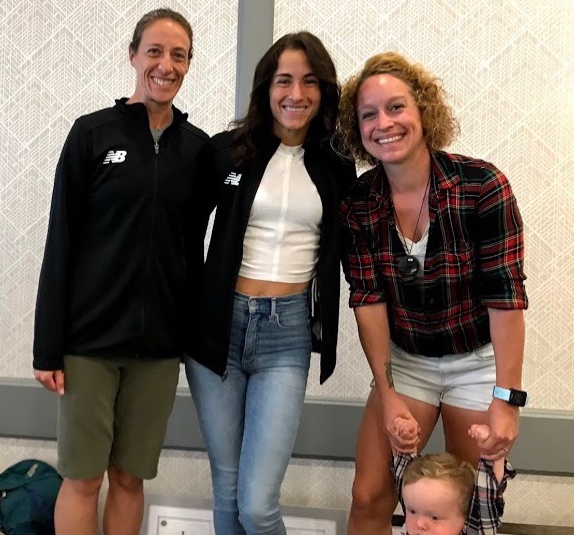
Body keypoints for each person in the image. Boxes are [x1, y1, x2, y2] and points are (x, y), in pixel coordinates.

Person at [336, 52, 528, 534]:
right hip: (406, 361)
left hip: (476, 362)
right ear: (357, 129)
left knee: (466, 508)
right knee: (368, 495)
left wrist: (506, 400)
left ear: (423, 111)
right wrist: (388, 396)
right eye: (368, 114)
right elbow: (368, 301)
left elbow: (506, 299)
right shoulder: (359, 202)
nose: (384, 123)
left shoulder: (482, 186)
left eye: (396, 107)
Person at [33, 8, 208, 535]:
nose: (165, 65)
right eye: (154, 51)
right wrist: (47, 347)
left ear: (189, 64)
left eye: (178, 55)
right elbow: (60, 240)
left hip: (158, 349)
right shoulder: (92, 134)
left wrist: (191, 336)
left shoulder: (196, 150)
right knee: (83, 478)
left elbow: (193, 250)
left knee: (130, 479)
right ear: (133, 56)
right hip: (88, 344)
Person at [185, 32, 356, 534]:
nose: (295, 93)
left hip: (287, 333)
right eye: (284, 80)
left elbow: (357, 247)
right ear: (266, 87)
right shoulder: (226, 152)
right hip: (218, 326)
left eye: (309, 81)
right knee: (228, 488)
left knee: (258, 505)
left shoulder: (337, 166)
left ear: (324, 90)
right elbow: (182, 236)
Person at [393, 418, 514, 535]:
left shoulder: (474, 530)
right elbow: (403, 473)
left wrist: (491, 451)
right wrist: (405, 437)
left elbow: (487, 499)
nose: (419, 523)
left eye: (434, 518)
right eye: (412, 511)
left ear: (465, 518)